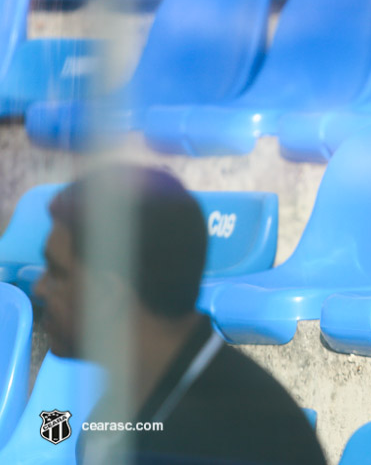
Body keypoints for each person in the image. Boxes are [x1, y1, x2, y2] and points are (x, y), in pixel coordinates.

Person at [34, 165, 327, 465]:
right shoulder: (131, 404)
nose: (40, 288)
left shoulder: (233, 436)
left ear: (109, 295)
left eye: (57, 273)